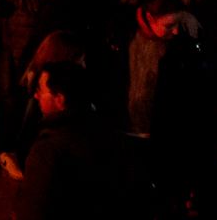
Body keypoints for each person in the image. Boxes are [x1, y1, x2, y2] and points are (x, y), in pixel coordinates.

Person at [9, 60, 140, 219]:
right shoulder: (112, 134)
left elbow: (31, 211)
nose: (36, 95)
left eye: (40, 90)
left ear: (60, 99)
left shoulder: (48, 150)